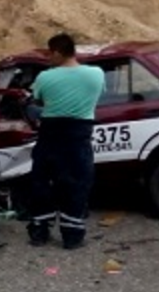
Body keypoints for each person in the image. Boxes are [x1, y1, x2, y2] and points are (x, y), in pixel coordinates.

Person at [26, 33, 103, 249]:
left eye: (50, 53)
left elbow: (36, 101)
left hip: (50, 135)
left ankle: (40, 232)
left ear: (58, 52)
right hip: (79, 137)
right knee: (77, 185)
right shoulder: (96, 75)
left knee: (42, 183)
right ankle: (72, 237)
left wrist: (34, 110)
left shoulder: (45, 77)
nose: (49, 58)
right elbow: (96, 98)